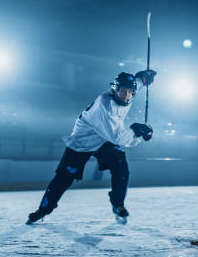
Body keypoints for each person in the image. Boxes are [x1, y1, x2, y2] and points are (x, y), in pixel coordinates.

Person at [26, 69, 156, 225]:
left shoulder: (129, 92)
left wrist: (142, 78)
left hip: (104, 140)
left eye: (130, 92)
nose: (126, 95)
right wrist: (137, 132)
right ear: (115, 89)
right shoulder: (105, 105)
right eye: (123, 91)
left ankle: (118, 203)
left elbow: (137, 84)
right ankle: (43, 210)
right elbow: (116, 137)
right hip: (83, 141)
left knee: (121, 168)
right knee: (63, 178)